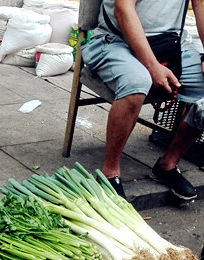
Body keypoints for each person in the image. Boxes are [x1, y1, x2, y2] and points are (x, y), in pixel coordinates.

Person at [82, 0, 204, 200]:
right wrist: (152, 66)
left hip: (170, 43)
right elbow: (123, 10)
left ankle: (168, 165)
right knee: (137, 82)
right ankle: (109, 172)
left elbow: (200, 5)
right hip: (116, 40)